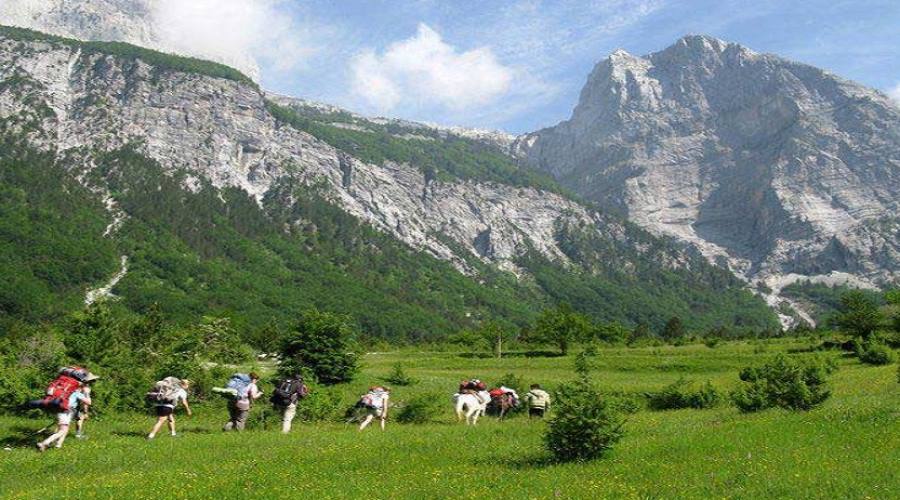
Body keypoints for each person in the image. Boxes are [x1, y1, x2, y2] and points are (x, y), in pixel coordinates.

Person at [37, 381, 91, 452]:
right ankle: (44, 443)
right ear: (81, 387)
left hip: (59, 410)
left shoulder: (66, 391)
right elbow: (88, 402)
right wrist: (87, 393)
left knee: (65, 429)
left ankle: (58, 445)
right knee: (62, 431)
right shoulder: (76, 393)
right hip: (65, 412)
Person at [74, 373, 99, 439]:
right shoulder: (86, 388)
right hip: (79, 405)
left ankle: (78, 433)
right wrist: (85, 411)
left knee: (79, 419)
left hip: (75, 404)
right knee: (80, 419)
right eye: (93, 380)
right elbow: (86, 401)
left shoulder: (79, 385)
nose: (94, 381)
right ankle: (78, 435)